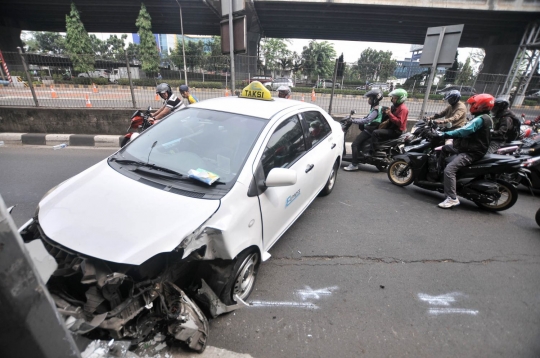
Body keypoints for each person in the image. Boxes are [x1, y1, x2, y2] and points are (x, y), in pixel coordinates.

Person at [435, 93, 494, 209]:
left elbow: (463, 131)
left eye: (472, 104)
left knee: (449, 170)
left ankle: (452, 198)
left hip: (471, 152)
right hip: (471, 148)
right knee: (445, 148)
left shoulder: (480, 119)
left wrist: (443, 134)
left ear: (480, 106)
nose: (470, 106)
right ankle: (440, 178)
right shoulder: (487, 118)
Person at [343, 89, 384, 171]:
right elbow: (366, 118)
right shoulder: (375, 108)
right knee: (358, 144)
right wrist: (355, 119)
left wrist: (353, 121)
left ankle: (354, 164)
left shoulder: (376, 109)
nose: (369, 100)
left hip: (370, 130)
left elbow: (367, 120)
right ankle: (357, 158)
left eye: (370, 98)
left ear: (375, 99)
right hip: (370, 129)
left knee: (354, 144)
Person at [371, 88, 409, 153]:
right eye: (393, 98)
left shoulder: (403, 109)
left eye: (395, 98)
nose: (392, 99)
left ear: (401, 99)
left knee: (375, 133)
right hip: (391, 127)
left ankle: (374, 151)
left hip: (396, 131)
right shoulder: (395, 106)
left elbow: (399, 123)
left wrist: (390, 114)